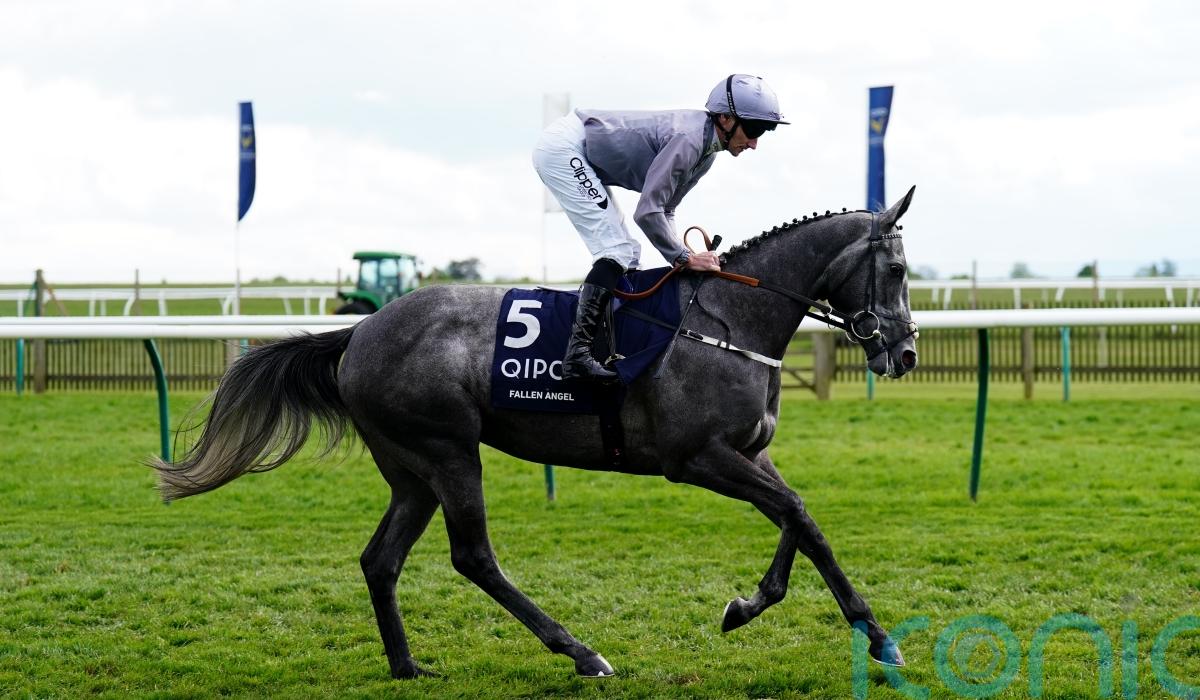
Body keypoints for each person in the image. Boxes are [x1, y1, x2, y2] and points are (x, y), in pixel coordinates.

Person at [533, 74, 788, 381]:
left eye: (763, 132)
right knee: (615, 251)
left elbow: (665, 209)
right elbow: (647, 212)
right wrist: (684, 258)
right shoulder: (690, 141)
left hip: (577, 148)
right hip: (564, 149)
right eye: (754, 129)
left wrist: (682, 257)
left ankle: (609, 345)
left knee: (629, 254)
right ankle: (577, 355)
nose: (755, 143)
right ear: (725, 118)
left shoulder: (706, 151)